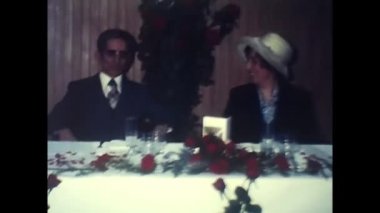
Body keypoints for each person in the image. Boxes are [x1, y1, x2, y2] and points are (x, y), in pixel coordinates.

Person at [48, 28, 175, 141]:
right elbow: (54, 120)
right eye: (111, 53)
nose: (117, 59)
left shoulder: (140, 92)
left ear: (129, 59)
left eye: (123, 54)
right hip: (88, 161)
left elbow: (166, 119)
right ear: (99, 56)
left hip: (128, 162)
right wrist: (67, 136)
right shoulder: (80, 89)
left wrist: (156, 134)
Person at [223, 32, 321, 144]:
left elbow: (312, 141)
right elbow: (224, 137)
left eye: (254, 62)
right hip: (246, 161)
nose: (248, 67)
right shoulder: (239, 96)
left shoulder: (299, 99)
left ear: (271, 67)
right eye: (248, 61)